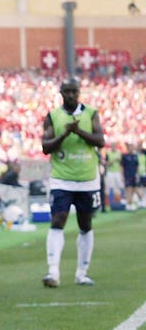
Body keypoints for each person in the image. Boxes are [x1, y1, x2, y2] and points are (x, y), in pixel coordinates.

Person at [41, 76, 105, 287]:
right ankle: (53, 272)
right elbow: (46, 146)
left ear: (79, 93)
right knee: (58, 220)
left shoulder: (91, 114)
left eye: (73, 92)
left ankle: (82, 273)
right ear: (61, 93)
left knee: (85, 224)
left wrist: (78, 131)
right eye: (66, 92)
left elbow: (100, 141)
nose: (70, 95)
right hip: (62, 179)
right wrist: (65, 134)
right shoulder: (52, 116)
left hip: (87, 179)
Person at [121, 142, 139, 211]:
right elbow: (122, 166)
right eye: (130, 147)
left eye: (133, 147)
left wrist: (137, 174)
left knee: (133, 190)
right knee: (128, 190)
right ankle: (128, 204)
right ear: (128, 148)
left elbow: (137, 166)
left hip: (134, 175)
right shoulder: (125, 156)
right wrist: (122, 175)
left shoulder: (135, 156)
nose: (132, 148)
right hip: (127, 175)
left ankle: (131, 203)